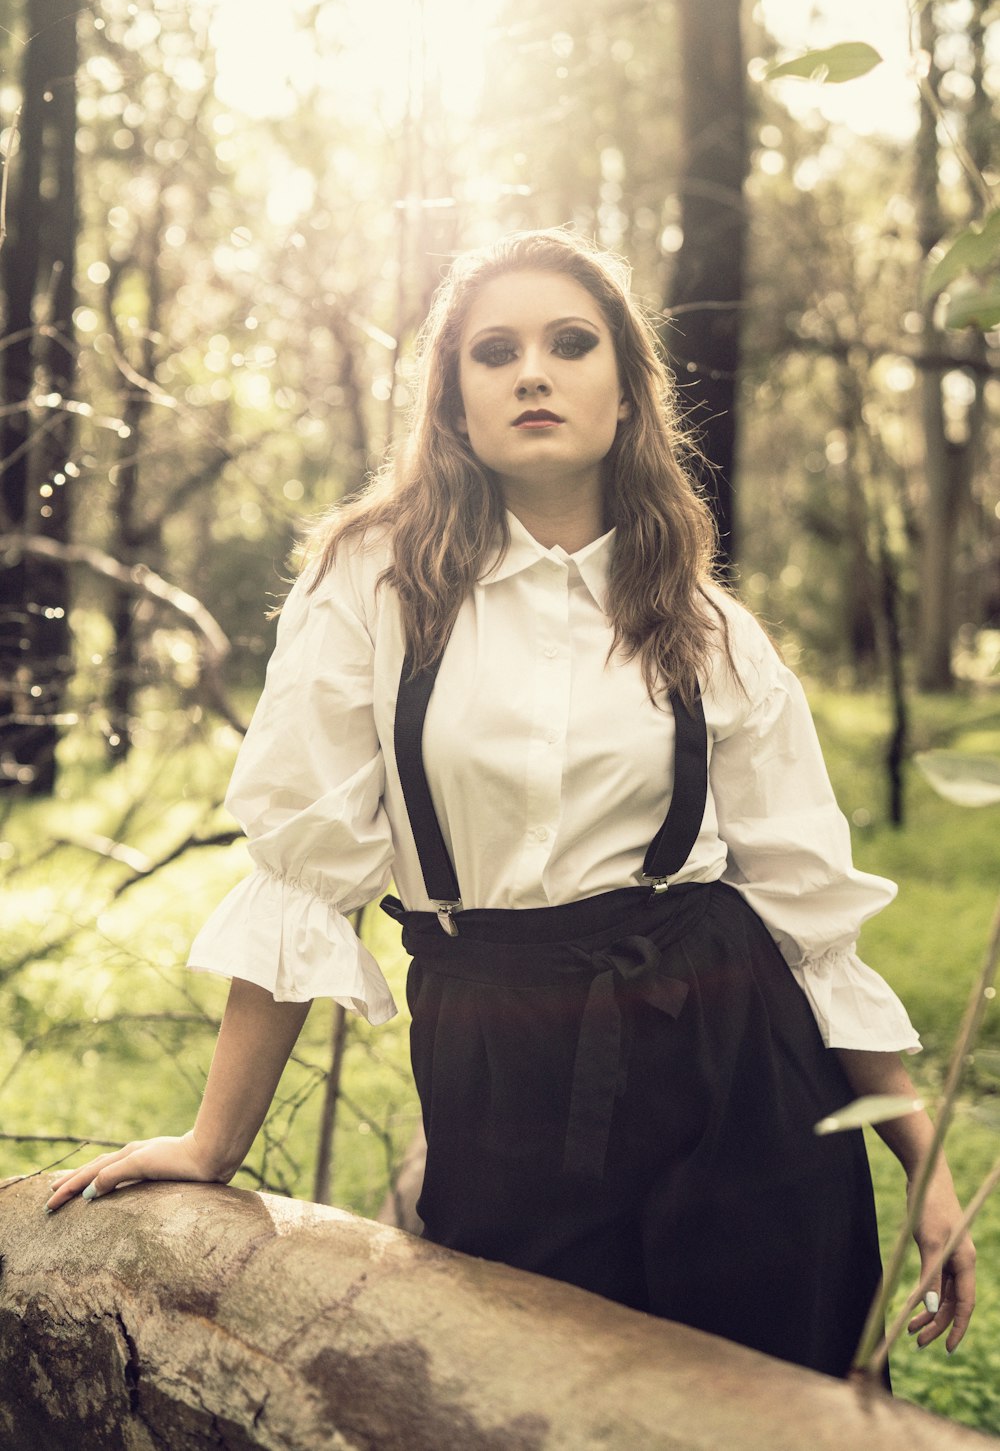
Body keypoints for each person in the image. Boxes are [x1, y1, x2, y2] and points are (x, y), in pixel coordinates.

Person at [47, 229, 975, 1377]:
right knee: (524, 1395)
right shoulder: (373, 582)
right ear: (454, 404)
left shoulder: (709, 627)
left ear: (629, 396)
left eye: (569, 342)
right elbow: (303, 871)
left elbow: (804, 911)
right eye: (495, 351)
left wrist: (919, 1162)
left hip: (736, 1065)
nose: (532, 370)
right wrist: (212, 1139)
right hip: (496, 1055)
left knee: (763, 1393)